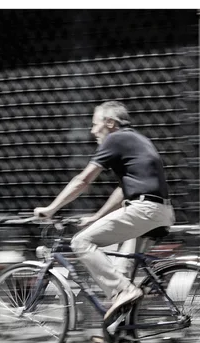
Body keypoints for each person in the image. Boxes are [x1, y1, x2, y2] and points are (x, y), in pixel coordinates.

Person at [34, 100, 175, 326]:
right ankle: (119, 335)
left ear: (110, 123)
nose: (92, 131)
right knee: (121, 272)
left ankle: (123, 293)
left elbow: (83, 180)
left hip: (144, 210)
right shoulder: (136, 140)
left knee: (81, 242)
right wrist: (96, 217)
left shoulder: (115, 139)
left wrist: (51, 209)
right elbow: (123, 190)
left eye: (94, 124)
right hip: (159, 211)